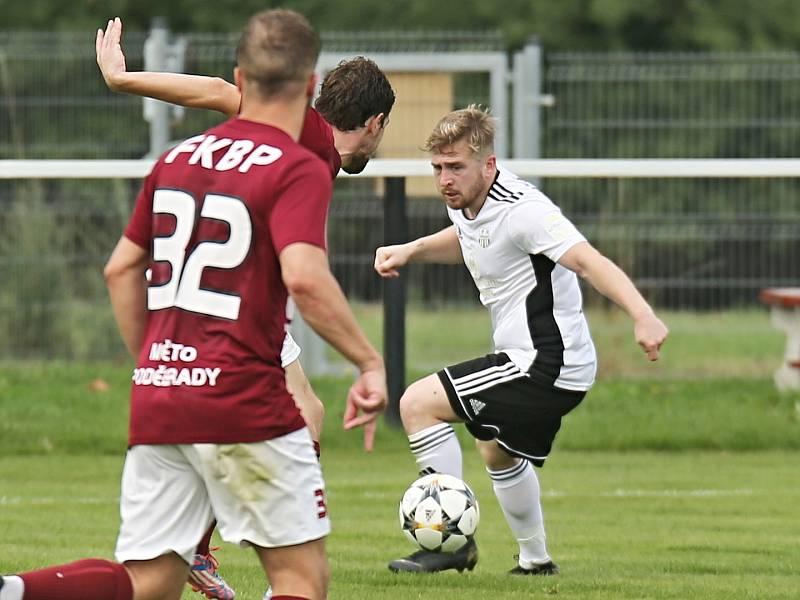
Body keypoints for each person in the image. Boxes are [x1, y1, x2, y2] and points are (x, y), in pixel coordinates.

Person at [0, 10, 386, 600]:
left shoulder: (182, 156)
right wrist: (369, 362)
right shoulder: (305, 152)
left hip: (171, 365)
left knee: (149, 583)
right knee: (302, 576)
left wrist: (159, 358)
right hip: (236, 334)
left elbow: (120, 267)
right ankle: (219, 535)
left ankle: (17, 590)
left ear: (246, 76)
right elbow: (304, 276)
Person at [374, 105, 668, 575]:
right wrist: (413, 249)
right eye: (437, 168)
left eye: (456, 168)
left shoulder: (524, 210)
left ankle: (448, 542)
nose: (445, 179)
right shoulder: (475, 203)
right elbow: (470, 238)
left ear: (488, 165)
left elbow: (588, 260)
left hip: (545, 361)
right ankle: (536, 561)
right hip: (549, 363)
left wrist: (642, 314)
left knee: (416, 404)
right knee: (497, 449)